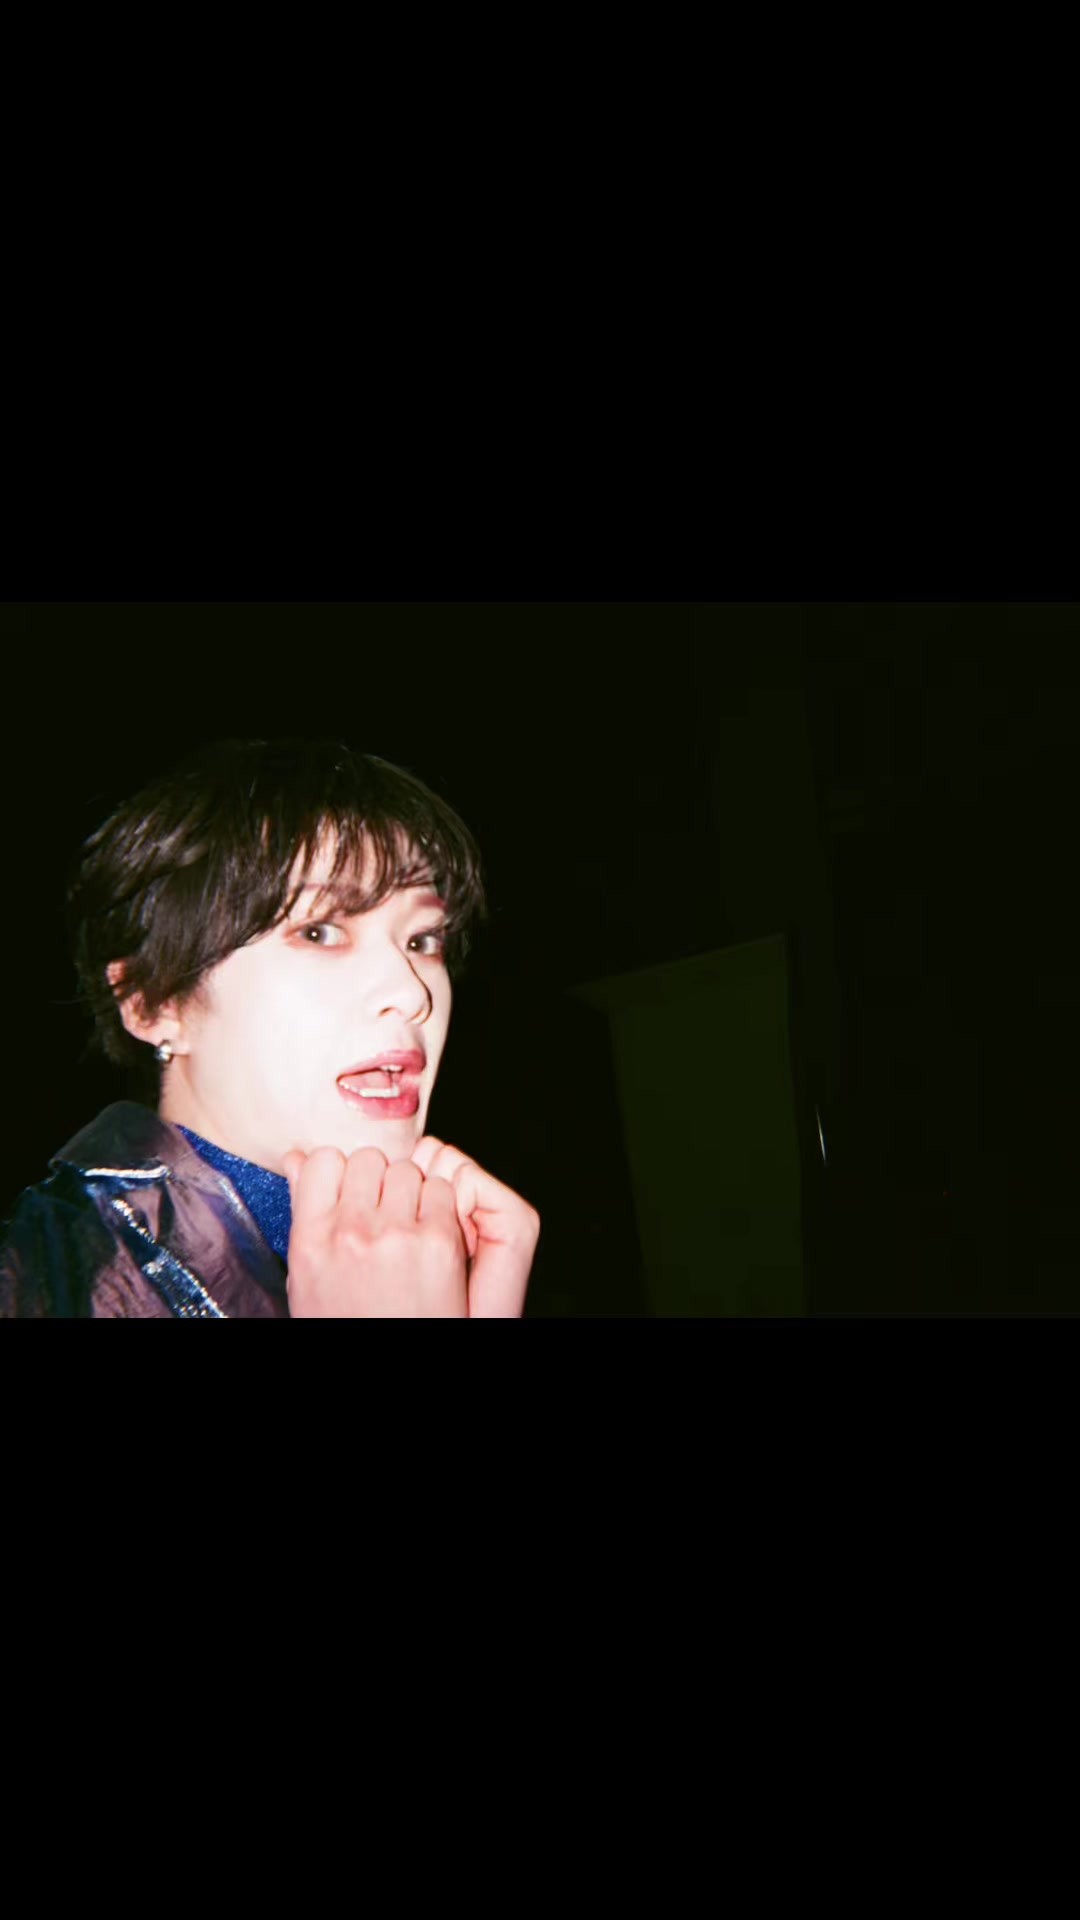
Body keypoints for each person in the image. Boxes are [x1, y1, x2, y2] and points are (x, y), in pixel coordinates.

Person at [0, 738, 540, 1317]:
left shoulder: (437, 1258)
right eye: (320, 932)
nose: (412, 994)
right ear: (153, 1003)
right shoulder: (47, 1281)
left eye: (422, 940)